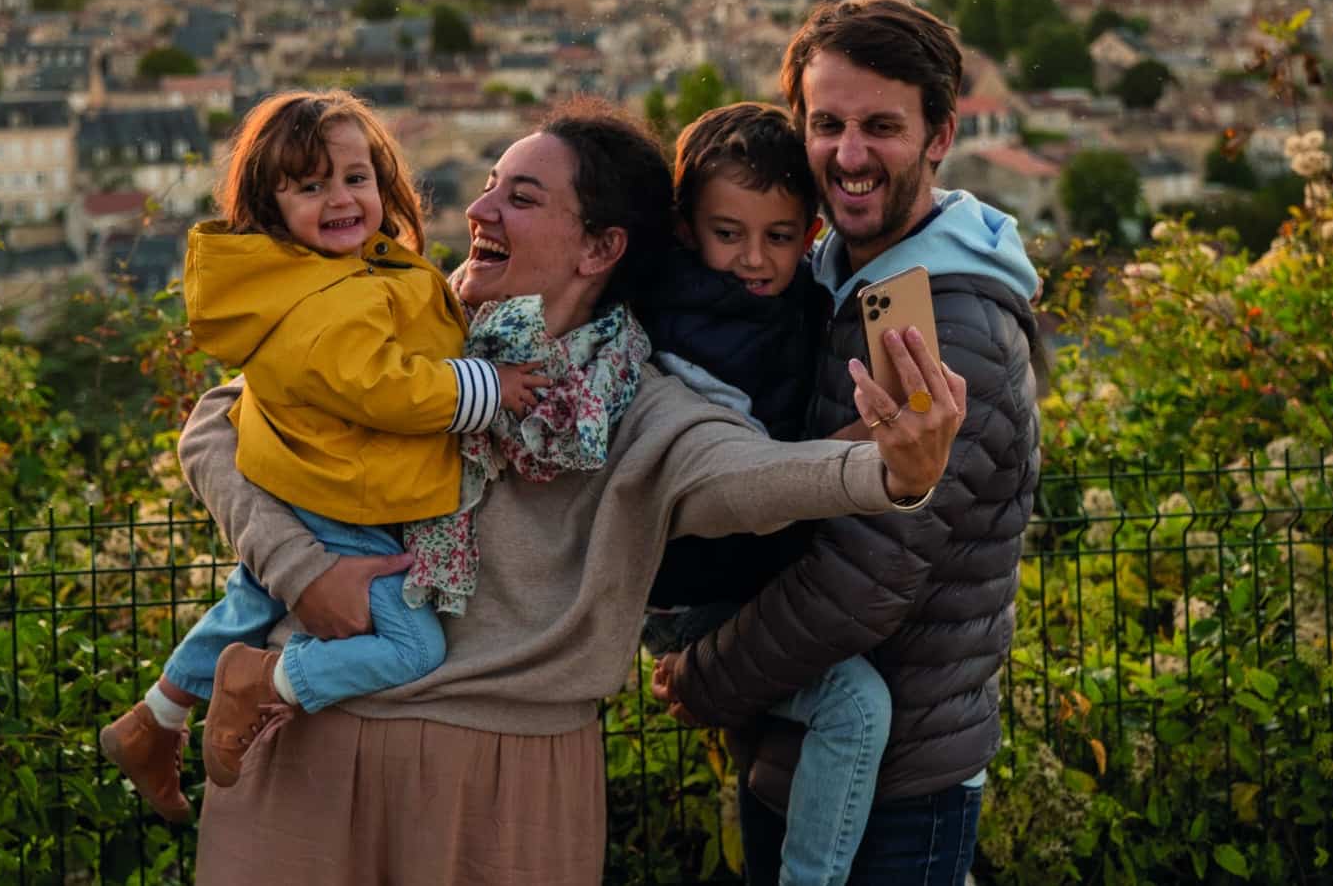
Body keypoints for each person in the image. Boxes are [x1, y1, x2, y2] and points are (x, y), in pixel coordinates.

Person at [175, 99, 969, 885]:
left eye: (519, 197)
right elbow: (219, 423)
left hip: (499, 790)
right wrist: (301, 568)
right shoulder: (416, 329)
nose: (480, 207)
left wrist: (889, 471)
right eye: (492, 183)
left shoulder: (637, 404)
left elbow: (743, 475)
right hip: (300, 754)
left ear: (601, 248)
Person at [652, 0, 1043, 885]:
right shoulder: (826, 276)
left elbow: (861, 582)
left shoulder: (947, 326)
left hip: (899, 775)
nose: (849, 154)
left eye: (880, 127)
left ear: (940, 136)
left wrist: (707, 677)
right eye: (826, 124)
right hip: (801, 740)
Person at [98, 90, 548, 823]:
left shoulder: (314, 282)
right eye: (311, 187)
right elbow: (385, 387)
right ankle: (263, 681)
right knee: (413, 647)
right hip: (348, 499)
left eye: (354, 178)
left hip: (318, 482)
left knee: (252, 597)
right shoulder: (331, 302)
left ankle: (155, 717)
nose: (340, 199)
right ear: (273, 208)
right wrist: (487, 386)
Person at [636, 102, 889, 886]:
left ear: (809, 233)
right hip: (693, 597)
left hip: (744, 577)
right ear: (685, 227)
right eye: (728, 233)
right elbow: (734, 471)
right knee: (856, 707)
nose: (753, 259)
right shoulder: (662, 322)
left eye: (778, 237)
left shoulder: (803, 305)